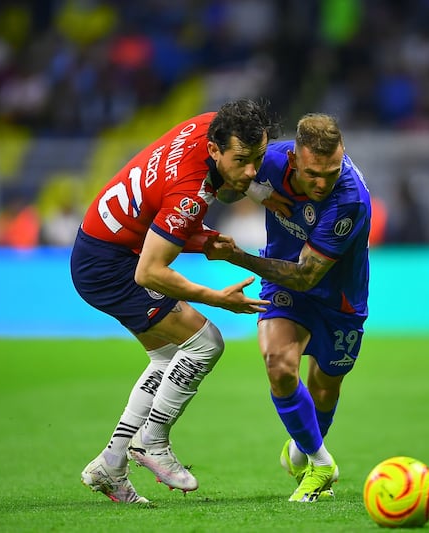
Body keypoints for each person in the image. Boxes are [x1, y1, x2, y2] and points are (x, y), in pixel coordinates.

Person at [71, 99, 281, 504]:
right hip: (109, 264)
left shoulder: (210, 126)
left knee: (168, 359)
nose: (252, 171)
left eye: (257, 158)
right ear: (216, 150)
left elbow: (160, 204)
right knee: (205, 343)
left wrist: (203, 235)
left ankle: (110, 466)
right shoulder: (191, 192)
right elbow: (149, 272)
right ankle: (152, 442)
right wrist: (218, 299)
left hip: (105, 243)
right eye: (242, 160)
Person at [205, 113, 371, 502]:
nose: (322, 183)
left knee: (325, 389)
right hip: (284, 288)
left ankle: (300, 451)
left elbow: (306, 275)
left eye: (331, 172)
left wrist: (238, 257)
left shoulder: (348, 199)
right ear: (294, 159)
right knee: (278, 365)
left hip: (337, 298)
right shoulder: (270, 161)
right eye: (314, 173)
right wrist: (257, 191)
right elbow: (225, 186)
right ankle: (321, 461)